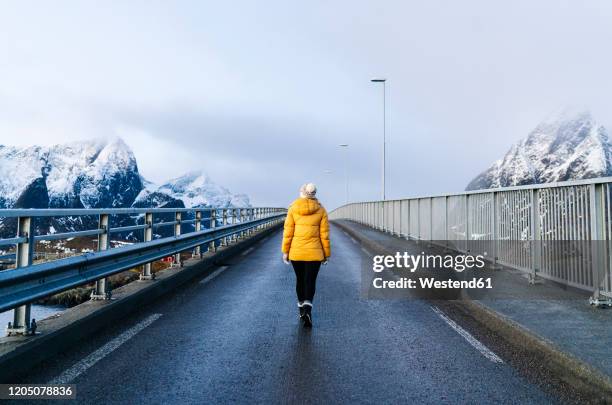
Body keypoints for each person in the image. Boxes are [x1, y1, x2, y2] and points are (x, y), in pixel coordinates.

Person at [281, 183, 331, 327]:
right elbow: (324, 235)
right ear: (314, 194)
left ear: (302, 193)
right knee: (310, 281)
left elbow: (288, 232)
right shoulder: (321, 210)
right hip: (315, 253)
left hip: (296, 252)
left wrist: (285, 252)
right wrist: (326, 255)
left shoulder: (293, 209)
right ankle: (308, 309)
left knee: (300, 280)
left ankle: (301, 310)